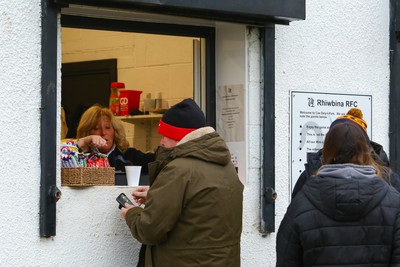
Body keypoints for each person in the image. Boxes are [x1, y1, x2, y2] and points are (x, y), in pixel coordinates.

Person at [119, 98, 244, 267]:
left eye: (165, 135)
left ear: (179, 136)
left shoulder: (178, 169)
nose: (161, 142)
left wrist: (132, 213)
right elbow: (200, 209)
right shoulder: (226, 167)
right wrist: (157, 197)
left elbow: (149, 230)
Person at [276, 122, 400, 266]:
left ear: (327, 152)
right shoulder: (394, 203)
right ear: (366, 152)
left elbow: (286, 260)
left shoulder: (301, 205)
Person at [292, 107, 400, 198]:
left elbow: (294, 218)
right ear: (365, 146)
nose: (345, 144)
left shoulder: (311, 176)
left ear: (329, 145)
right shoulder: (387, 178)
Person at [72, 104, 155, 174]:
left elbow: (161, 161)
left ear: (115, 131)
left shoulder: (130, 156)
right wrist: (83, 142)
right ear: (87, 133)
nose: (103, 132)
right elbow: (63, 155)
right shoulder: (79, 158)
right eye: (96, 128)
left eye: (107, 127)